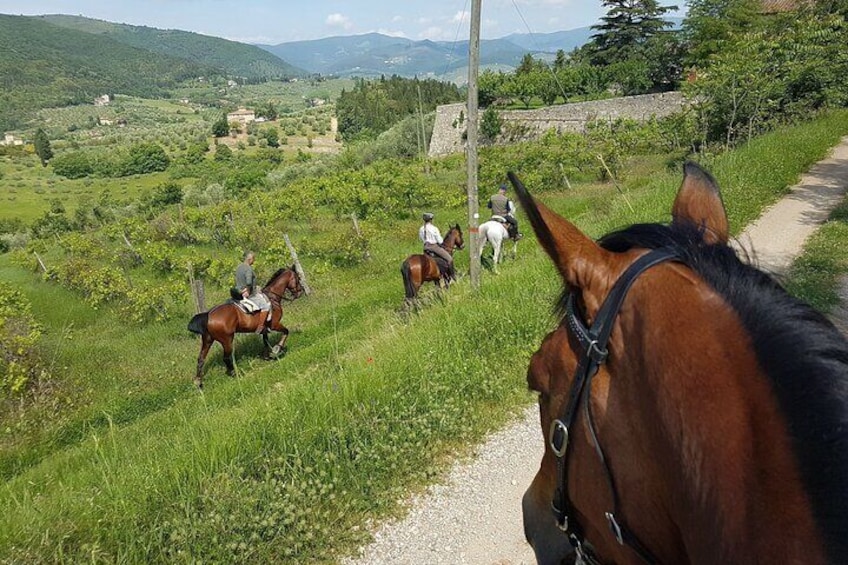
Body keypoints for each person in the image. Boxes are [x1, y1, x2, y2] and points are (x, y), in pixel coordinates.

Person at [235, 251, 272, 333]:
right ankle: (260, 327)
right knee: (266, 306)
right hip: (249, 294)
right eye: (253, 259)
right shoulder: (248, 268)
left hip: (238, 291)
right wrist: (247, 289)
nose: (254, 261)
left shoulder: (239, 267)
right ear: (249, 259)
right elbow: (248, 282)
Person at [419, 212, 453, 276]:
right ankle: (453, 276)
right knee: (449, 259)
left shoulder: (421, 229)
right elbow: (440, 241)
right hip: (434, 247)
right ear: (431, 219)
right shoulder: (434, 228)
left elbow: (421, 239)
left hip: (425, 247)